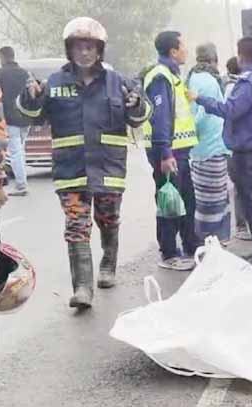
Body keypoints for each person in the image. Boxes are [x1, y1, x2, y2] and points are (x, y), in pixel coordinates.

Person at [17, 17, 151, 309]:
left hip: (109, 170)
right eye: (79, 46)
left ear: (99, 50)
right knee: (76, 227)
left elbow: (139, 117)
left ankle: (108, 263)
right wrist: (30, 97)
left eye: (90, 46)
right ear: (70, 50)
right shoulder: (54, 82)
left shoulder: (120, 83)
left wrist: (137, 104)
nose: (85, 52)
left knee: (108, 220)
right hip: (71, 172)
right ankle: (82, 289)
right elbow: (33, 116)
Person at [192, 37, 252, 265]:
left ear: (241, 56)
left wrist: (200, 99)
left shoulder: (248, 83)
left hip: (249, 152)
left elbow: (230, 110)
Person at [143, 31, 200, 271]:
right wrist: (165, 153)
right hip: (167, 151)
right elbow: (161, 118)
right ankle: (168, 253)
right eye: (183, 45)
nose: (187, 49)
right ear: (173, 51)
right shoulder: (160, 77)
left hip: (180, 150)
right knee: (169, 200)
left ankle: (192, 247)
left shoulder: (173, 76)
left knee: (187, 199)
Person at [187, 43, 232, 243]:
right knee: (213, 198)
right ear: (214, 60)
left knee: (209, 196)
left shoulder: (192, 77)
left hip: (200, 148)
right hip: (210, 147)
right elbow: (202, 116)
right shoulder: (209, 81)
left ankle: (211, 238)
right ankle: (211, 239)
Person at [223, 56, 251, 241]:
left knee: (242, 187)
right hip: (238, 145)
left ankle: (244, 225)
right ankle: (242, 226)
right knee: (242, 187)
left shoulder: (231, 87)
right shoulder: (236, 88)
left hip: (234, 145)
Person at [0, 47, 30, 196]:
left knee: (15, 151)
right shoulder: (25, 73)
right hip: (26, 118)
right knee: (19, 150)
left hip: (9, 119)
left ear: (2, 57)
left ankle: (21, 186)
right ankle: (20, 181)